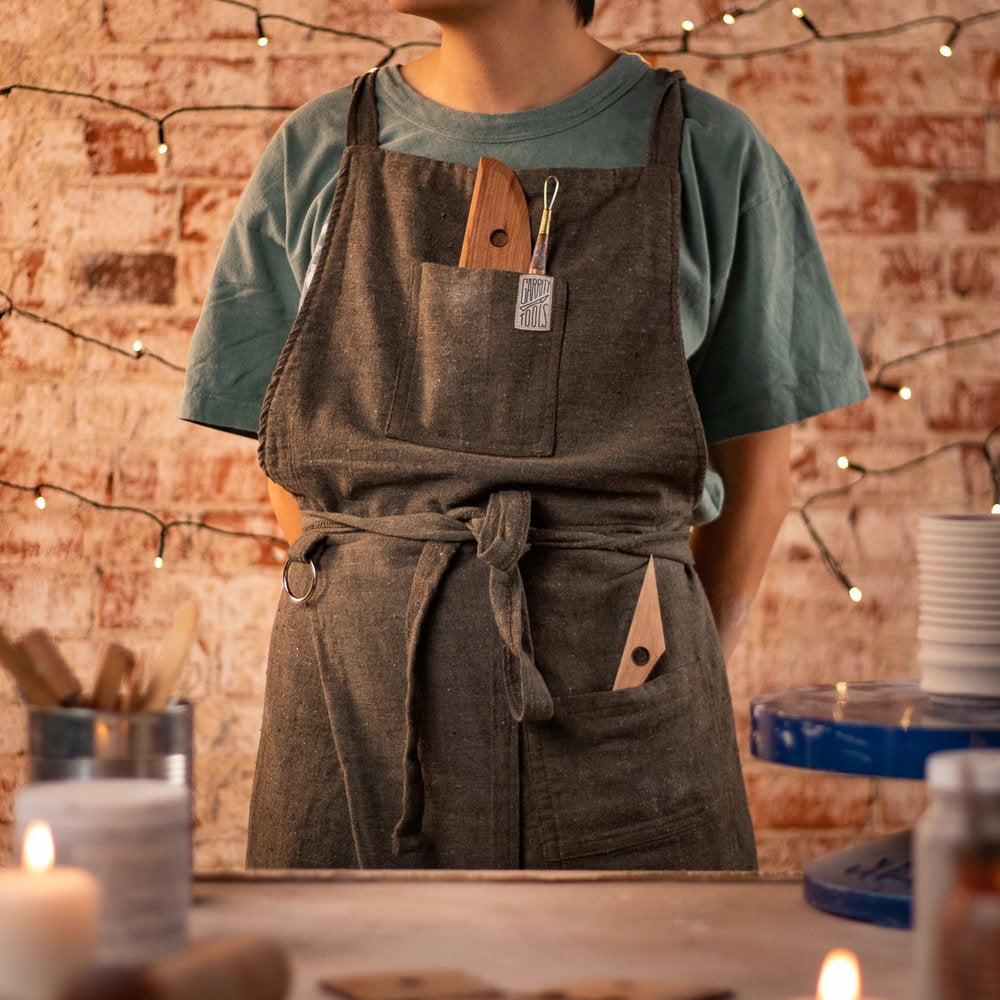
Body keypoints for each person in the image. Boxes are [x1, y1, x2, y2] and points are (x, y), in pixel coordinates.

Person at [180, 0, 869, 870]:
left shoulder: (710, 153)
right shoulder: (318, 151)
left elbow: (760, 473)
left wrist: (669, 653)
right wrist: (376, 599)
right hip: (352, 720)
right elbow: (290, 464)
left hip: (628, 714)